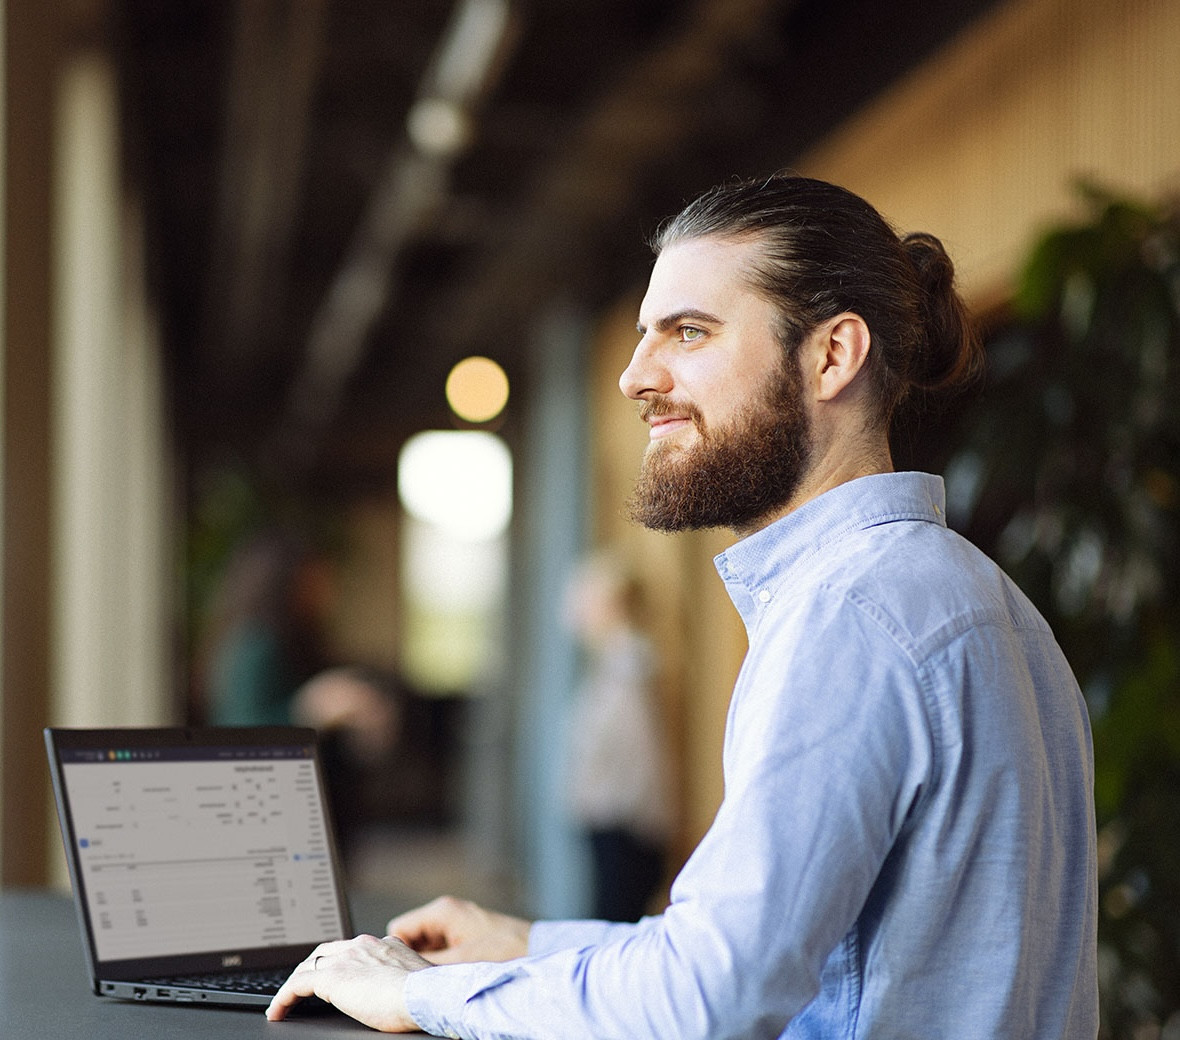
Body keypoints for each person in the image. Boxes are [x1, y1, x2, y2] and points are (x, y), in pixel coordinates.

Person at [266, 174, 1099, 1037]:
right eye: (641, 338)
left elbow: (712, 999)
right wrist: (526, 944)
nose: (634, 377)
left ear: (831, 356)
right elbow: (786, 958)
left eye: (689, 333)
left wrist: (411, 995)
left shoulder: (851, 616)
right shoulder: (987, 599)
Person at [561, 551, 672, 922]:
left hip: (625, 826)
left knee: (614, 922)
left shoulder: (630, 668)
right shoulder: (616, 664)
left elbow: (636, 757)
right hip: (615, 821)